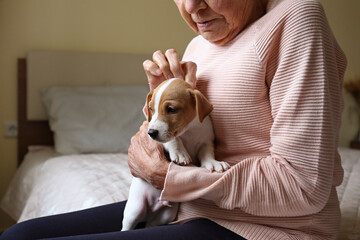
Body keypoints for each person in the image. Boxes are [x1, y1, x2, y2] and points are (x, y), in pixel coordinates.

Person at [1, 0, 346, 239]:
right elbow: (167, 138)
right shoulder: (200, 44)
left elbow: (304, 185)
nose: (192, 8)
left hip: (261, 228)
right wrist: (154, 112)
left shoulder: (297, 18)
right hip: (187, 207)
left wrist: (171, 176)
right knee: (19, 235)